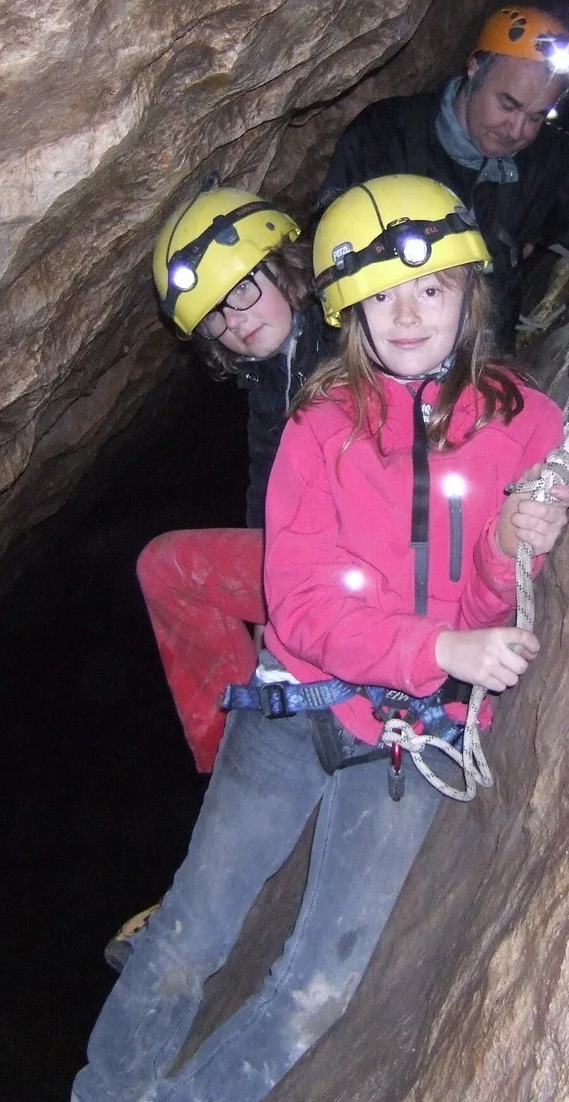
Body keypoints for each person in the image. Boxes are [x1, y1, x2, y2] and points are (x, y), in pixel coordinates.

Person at [71, 174, 569, 1102]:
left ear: (470, 290)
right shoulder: (318, 424)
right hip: (296, 707)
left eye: (431, 289)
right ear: (349, 310)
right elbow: (299, 609)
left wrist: (507, 550)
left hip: (411, 738)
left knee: (316, 988)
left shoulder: (523, 422)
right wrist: (439, 654)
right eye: (383, 296)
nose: (411, 315)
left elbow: (486, 604)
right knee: (188, 931)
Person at [138, 186, 336, 776]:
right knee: (165, 567)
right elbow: (264, 498)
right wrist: (260, 617)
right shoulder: (268, 381)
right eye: (216, 315)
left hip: (372, 546)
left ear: (283, 266)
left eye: (243, 290)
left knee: (168, 566)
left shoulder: (347, 323)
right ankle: (231, 761)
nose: (236, 321)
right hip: (312, 558)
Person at [317, 6, 569, 345]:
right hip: (396, 357)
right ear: (475, 68)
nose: (517, 130)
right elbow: (329, 255)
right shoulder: (386, 136)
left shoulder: (541, 156)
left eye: (537, 117)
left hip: (487, 367)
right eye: (508, 105)